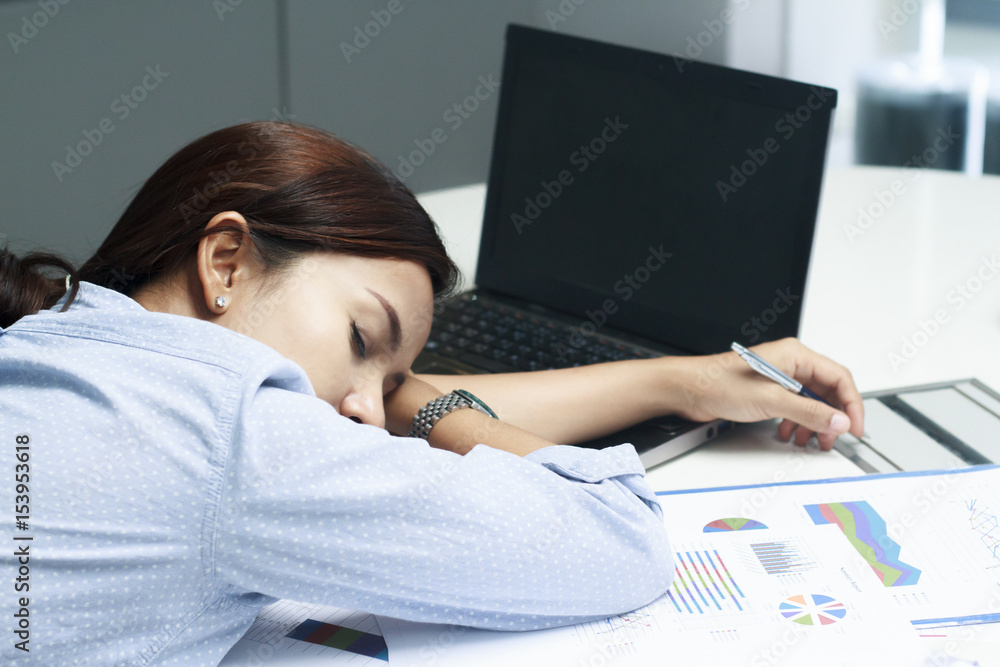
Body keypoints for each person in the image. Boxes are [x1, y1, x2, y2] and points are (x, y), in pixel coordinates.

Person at [0, 121, 864, 666]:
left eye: (390, 379)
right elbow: (620, 539)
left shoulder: (63, 335)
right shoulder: (238, 441)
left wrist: (683, 380)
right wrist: (421, 403)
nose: (372, 412)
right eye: (360, 340)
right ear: (226, 261)